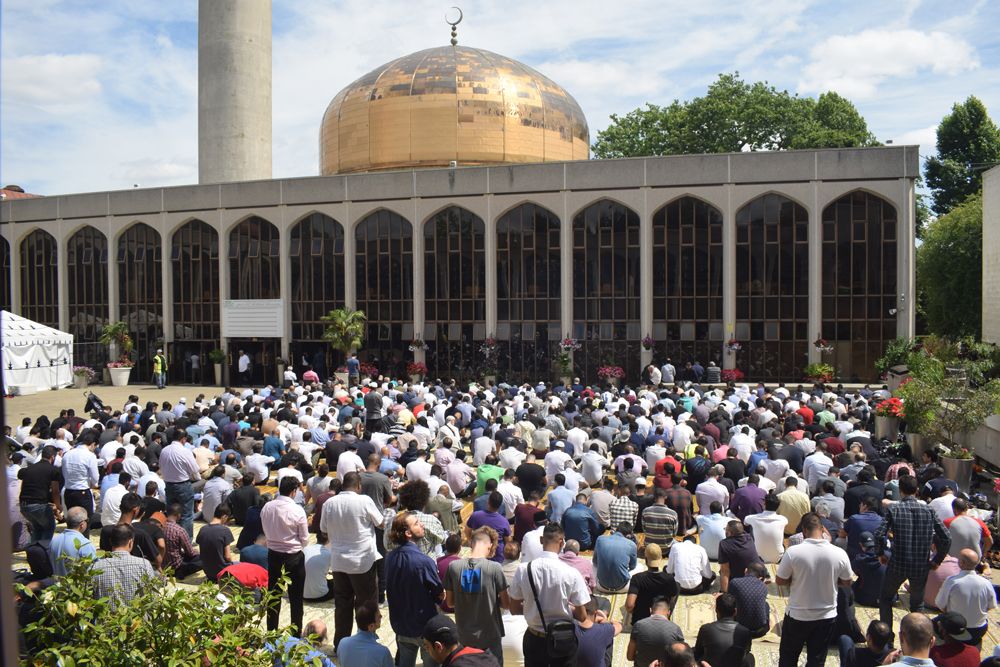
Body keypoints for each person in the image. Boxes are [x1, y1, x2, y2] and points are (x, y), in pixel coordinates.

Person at [774, 512, 853, 667]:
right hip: (826, 615)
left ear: (804, 530)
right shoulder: (839, 553)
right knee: (816, 660)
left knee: (788, 658)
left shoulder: (793, 552)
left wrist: (797, 579)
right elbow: (847, 581)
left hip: (798, 615)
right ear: (823, 529)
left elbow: (780, 580)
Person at [508, 523, 590, 667]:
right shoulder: (571, 573)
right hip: (563, 638)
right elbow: (582, 616)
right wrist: (567, 609)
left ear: (541, 540)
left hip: (534, 638)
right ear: (562, 542)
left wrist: (531, 609)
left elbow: (514, 609)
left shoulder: (523, 570)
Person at [874, 474, 951, 624]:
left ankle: (887, 637)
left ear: (900, 491)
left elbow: (878, 534)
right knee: (917, 605)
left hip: (897, 564)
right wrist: (937, 560)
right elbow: (947, 537)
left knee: (885, 599)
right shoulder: (929, 511)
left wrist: (881, 553)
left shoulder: (894, 509)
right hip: (920, 566)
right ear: (916, 490)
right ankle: (917, 638)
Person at [320, 471, 384, 650]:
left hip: (339, 561)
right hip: (362, 561)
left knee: (342, 604)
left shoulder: (329, 503)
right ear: (358, 486)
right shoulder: (364, 500)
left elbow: (323, 529)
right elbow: (380, 522)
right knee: (366, 605)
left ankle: (340, 644)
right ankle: (366, 643)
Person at [385, 510, 445, 667]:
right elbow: (439, 594)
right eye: (417, 524)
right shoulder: (424, 561)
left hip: (401, 624)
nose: (422, 524)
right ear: (408, 533)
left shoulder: (390, 558)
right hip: (424, 626)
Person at [444, 526, 510, 664]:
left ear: (471, 543)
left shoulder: (453, 567)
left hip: (465, 639)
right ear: (490, 545)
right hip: (490, 638)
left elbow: (449, 603)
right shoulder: (495, 568)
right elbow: (506, 603)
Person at [260, 476, 309, 636]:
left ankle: (271, 633)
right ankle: (295, 635)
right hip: (293, 557)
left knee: (273, 595)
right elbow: (305, 539)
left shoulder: (267, 507)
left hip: (273, 555)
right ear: (294, 491)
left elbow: (265, 529)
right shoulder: (297, 510)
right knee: (296, 599)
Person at [934, 548, 996, 646]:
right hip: (978, 630)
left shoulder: (952, 581)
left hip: (954, 629)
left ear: (962, 563)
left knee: (933, 622)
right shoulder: (986, 583)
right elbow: (991, 606)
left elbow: (940, 604)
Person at [91, 524, 158, 610]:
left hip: (105, 621)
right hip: (136, 620)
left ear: (111, 541)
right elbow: (153, 598)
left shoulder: (96, 566)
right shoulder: (144, 565)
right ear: (130, 542)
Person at [18, 444, 62, 547]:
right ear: (52, 457)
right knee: (49, 526)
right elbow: (55, 491)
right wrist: (58, 505)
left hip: (23, 505)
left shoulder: (30, 468)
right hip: (38, 505)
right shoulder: (53, 470)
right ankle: (43, 551)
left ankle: (34, 551)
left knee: (37, 528)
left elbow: (21, 477)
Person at [625, 542, 679, 625]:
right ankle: (666, 613)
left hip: (640, 622)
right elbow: (672, 597)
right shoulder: (669, 579)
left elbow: (629, 606)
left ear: (646, 559)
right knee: (677, 586)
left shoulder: (637, 578)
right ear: (660, 559)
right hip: (661, 620)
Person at [694, 592, 753, 667]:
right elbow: (746, 651)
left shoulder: (705, 629)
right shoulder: (746, 632)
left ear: (716, 610)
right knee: (750, 658)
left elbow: (698, 651)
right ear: (735, 611)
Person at [160, 432, 200, 537]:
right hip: (183, 485)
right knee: (186, 515)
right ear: (183, 439)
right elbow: (195, 469)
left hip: (169, 485)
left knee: (171, 513)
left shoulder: (164, 450)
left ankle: (170, 537)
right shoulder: (185, 451)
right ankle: (186, 542)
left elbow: (161, 467)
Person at [422, 614, 502, 667]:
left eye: (427, 647)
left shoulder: (455, 665)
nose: (427, 651)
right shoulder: (485, 655)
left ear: (438, 646)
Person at [627, 596, 685, 667]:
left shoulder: (638, 625)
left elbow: (629, 657)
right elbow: (682, 657)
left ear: (650, 610)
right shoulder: (676, 629)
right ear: (669, 612)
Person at [337, 601, 394, 667]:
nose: (381, 616)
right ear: (371, 626)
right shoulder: (383, 652)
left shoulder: (343, 643)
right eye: (379, 616)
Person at [49, 506, 97, 576]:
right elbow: (93, 570)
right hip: (77, 586)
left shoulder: (53, 540)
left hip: (58, 585)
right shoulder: (84, 544)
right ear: (82, 524)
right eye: (87, 520)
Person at [574, 597, 622, 667]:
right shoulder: (604, 630)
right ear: (595, 612)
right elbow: (619, 626)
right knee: (609, 637)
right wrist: (606, 621)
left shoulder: (569, 627)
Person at [728, 561, 771, 639]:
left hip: (737, 627)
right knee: (766, 605)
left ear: (745, 570)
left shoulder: (734, 582)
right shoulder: (763, 587)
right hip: (759, 630)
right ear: (761, 577)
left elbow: (730, 601)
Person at [592, 522, 637, 593]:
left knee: (592, 565)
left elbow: (594, 562)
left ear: (616, 530)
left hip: (601, 586)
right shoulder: (631, 544)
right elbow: (633, 566)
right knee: (639, 567)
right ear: (628, 535)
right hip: (623, 588)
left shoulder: (600, 539)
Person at [743, 491, 788, 563]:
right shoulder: (783, 519)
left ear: (764, 504)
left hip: (758, 556)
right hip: (778, 557)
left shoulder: (753, 518)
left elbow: (745, 523)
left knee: (752, 527)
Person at [718, 520, 762, 592]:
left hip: (739, 579)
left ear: (730, 533)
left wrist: (724, 593)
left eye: (726, 529)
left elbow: (725, 571)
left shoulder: (724, 544)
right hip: (755, 574)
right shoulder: (749, 538)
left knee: (722, 570)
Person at [162, 503, 202, 579]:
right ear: (178, 515)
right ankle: (182, 573)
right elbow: (190, 553)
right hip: (176, 566)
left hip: (163, 565)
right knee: (203, 560)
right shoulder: (179, 530)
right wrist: (197, 552)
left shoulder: (160, 527)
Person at [195, 503, 234, 581]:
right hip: (222, 573)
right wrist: (232, 564)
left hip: (208, 572)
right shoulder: (225, 530)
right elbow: (228, 556)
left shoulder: (202, 529)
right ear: (224, 516)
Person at [850, 532, 886, 607]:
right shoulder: (886, 556)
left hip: (865, 599)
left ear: (860, 544)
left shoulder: (859, 560)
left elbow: (854, 572)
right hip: (887, 599)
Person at [302, 531, 334, 602]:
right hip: (321, 596)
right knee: (337, 584)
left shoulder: (305, 549)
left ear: (316, 538)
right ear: (329, 540)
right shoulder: (328, 554)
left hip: (301, 594)